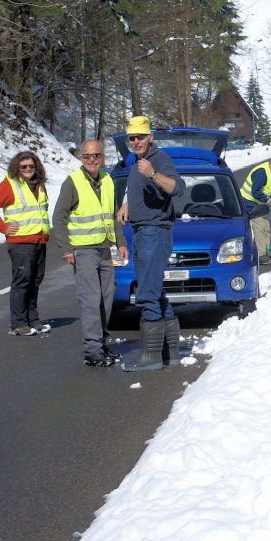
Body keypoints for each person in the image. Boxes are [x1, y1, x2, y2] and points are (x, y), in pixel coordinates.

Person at [116, 116, 185, 372]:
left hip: (153, 233)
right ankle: (171, 351)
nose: (136, 141)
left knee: (146, 294)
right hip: (145, 231)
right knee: (156, 292)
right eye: (132, 137)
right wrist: (127, 205)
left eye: (140, 137)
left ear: (150, 137)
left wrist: (154, 174)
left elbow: (178, 188)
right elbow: (140, 190)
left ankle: (152, 356)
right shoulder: (137, 162)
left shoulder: (158, 160)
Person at [52, 140, 127, 367]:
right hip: (83, 251)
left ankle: (103, 344)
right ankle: (92, 351)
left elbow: (113, 215)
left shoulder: (107, 180)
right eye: (87, 156)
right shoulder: (72, 183)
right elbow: (59, 218)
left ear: (102, 157)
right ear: (81, 158)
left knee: (106, 298)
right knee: (91, 300)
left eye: (96, 156)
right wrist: (66, 249)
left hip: (105, 249)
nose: (91, 160)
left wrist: (120, 242)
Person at [0, 151, 51, 336]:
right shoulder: (10, 185)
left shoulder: (40, 186)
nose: (28, 169)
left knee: (35, 281)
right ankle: (19, 324)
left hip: (39, 240)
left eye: (31, 166)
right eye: (24, 167)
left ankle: (33, 320)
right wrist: (2, 227)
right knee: (22, 282)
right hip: (21, 243)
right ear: (17, 168)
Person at [240, 154, 271, 263]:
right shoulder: (262, 172)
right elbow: (256, 192)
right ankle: (261, 255)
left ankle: (265, 252)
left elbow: (269, 191)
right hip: (248, 201)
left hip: (257, 203)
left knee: (265, 226)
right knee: (260, 226)